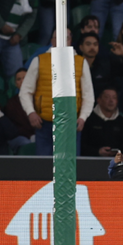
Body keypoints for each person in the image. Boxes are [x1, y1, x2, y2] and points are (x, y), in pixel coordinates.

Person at [19, 28, 94, 156]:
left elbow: (88, 95)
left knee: (69, 166)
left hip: (71, 124)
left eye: (66, 37)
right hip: (44, 124)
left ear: (71, 40)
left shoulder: (81, 63)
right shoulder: (39, 60)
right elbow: (25, 91)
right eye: (58, 37)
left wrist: (82, 117)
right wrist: (31, 112)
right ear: (52, 40)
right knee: (44, 168)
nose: (62, 41)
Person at [81, 87, 123, 157]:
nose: (111, 101)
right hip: (91, 162)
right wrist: (98, 151)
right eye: (107, 97)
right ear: (99, 100)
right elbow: (82, 146)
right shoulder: (88, 120)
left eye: (114, 97)